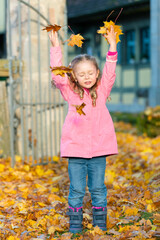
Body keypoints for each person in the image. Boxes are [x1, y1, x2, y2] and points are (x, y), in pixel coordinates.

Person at [49, 26, 118, 233]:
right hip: (76, 151)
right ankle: (75, 227)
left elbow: (110, 70)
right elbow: (57, 75)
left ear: (96, 74)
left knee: (98, 189)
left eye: (90, 73)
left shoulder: (102, 90)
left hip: (98, 151)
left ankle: (99, 226)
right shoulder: (70, 92)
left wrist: (113, 45)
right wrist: (55, 48)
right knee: (77, 190)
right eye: (81, 74)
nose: (87, 77)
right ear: (74, 77)